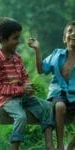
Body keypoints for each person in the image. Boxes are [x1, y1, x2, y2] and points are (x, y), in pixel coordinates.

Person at [0, 17, 55, 150]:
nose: (18, 42)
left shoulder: (17, 58)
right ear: (3, 38)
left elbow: (24, 76)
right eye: (15, 38)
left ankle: (49, 145)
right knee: (21, 117)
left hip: (22, 96)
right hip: (6, 99)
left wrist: (27, 87)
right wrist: (21, 89)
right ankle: (15, 148)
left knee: (47, 107)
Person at [28, 21, 75, 150]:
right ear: (64, 38)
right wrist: (37, 49)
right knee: (59, 106)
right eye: (70, 31)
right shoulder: (56, 54)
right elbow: (41, 69)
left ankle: (70, 145)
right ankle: (60, 146)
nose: (73, 33)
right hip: (58, 95)